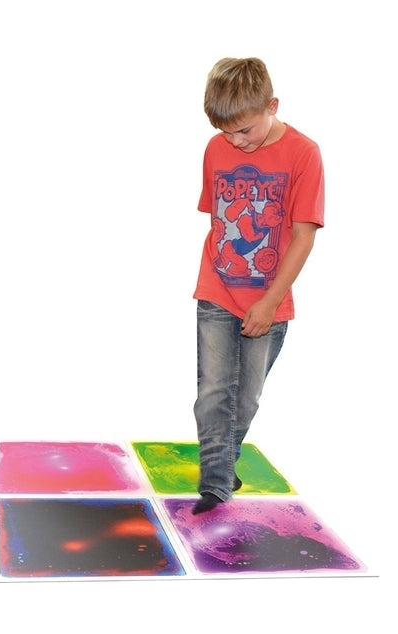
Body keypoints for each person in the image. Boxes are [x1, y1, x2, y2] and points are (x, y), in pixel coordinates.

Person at [191, 58, 324, 514]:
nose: (235, 142)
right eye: (225, 132)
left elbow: (303, 236)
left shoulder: (304, 154)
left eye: (244, 131)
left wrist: (269, 301)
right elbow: (219, 219)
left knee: (244, 399)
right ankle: (215, 486)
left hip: (269, 299)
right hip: (216, 288)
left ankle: (223, 463)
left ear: (272, 106)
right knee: (213, 392)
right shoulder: (216, 148)